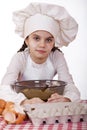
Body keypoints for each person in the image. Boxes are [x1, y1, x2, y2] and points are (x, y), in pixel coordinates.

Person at [0, 2, 80, 105]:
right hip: (24, 105)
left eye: (48, 40)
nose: (42, 45)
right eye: (36, 38)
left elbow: (69, 85)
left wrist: (67, 98)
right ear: (27, 40)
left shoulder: (56, 56)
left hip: (46, 104)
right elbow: (4, 88)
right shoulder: (20, 58)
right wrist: (24, 101)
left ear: (54, 42)